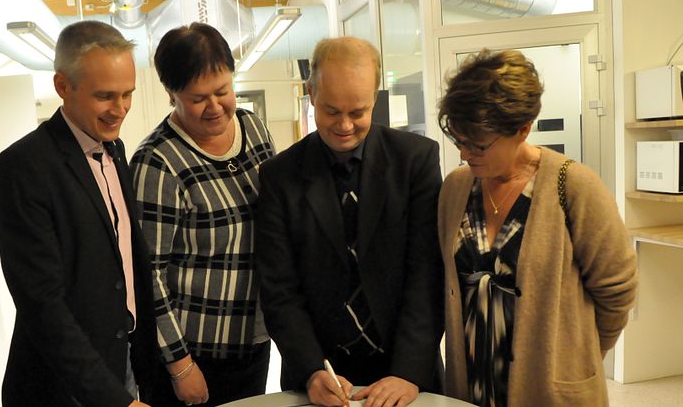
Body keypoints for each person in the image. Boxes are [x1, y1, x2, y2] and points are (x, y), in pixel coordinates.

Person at [436, 49, 638, 407]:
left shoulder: (572, 185)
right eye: (459, 141)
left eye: (478, 144)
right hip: (472, 387)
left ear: (523, 129)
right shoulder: (455, 188)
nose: (465, 154)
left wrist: (575, 355)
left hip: (551, 390)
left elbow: (617, 291)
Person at [256, 36, 445, 407]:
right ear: (311, 93)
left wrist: (408, 372)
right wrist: (311, 369)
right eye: (330, 111)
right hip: (320, 376)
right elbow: (279, 289)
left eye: (357, 112)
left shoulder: (415, 161)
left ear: (375, 98)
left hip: (404, 366)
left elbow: (426, 274)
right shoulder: (280, 176)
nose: (344, 125)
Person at [0, 21, 157, 407]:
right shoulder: (24, 166)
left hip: (122, 362)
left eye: (128, 94)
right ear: (63, 87)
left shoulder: (114, 151)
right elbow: (42, 303)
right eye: (106, 96)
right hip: (62, 384)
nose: (121, 110)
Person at [129, 23, 275, 407]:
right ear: (171, 94)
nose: (215, 107)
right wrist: (180, 365)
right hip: (196, 353)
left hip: (254, 338)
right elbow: (149, 277)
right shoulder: (157, 163)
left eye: (222, 91)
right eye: (197, 98)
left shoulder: (253, 127)